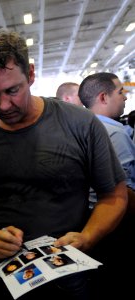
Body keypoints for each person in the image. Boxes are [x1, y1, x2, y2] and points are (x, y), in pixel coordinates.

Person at [0, 30, 127, 300]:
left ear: (30, 75)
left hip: (68, 271)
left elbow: (114, 194)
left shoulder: (81, 124)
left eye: (13, 90)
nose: (4, 104)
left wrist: (88, 236)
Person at [79, 72, 134, 299]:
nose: (125, 98)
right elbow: (126, 193)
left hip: (89, 221)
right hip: (118, 223)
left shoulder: (80, 129)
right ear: (103, 97)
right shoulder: (115, 133)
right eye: (120, 92)